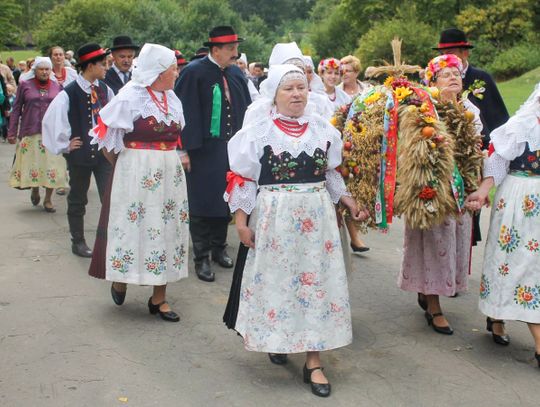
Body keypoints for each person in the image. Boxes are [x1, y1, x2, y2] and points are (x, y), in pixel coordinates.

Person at [223, 64, 368, 397]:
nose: (297, 94)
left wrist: (348, 201)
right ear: (274, 95)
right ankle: (279, 339)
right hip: (275, 220)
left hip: (316, 221)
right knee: (280, 285)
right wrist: (242, 223)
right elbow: (244, 179)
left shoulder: (322, 130)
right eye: (288, 89)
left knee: (315, 287)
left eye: (301, 88)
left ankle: (314, 361)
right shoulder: (258, 133)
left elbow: (331, 174)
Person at [88, 43, 188, 322]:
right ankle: (121, 278)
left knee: (167, 229)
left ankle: (160, 298)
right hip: (136, 174)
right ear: (158, 71)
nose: (177, 73)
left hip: (169, 174)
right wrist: (126, 169)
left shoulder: (172, 99)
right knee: (134, 228)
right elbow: (106, 140)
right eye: (173, 68)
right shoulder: (130, 96)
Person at [398, 54, 483, 335]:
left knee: (452, 239)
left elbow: (476, 147)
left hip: (460, 185)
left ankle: (431, 290)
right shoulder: (424, 108)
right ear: (432, 81)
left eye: (457, 73)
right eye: (446, 74)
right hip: (431, 183)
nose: (454, 78)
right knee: (432, 241)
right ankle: (433, 306)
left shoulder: (470, 108)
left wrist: (477, 183)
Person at [466, 83, 540, 365]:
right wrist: (483, 192)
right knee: (510, 260)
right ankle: (497, 315)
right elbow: (497, 162)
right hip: (519, 200)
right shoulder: (521, 125)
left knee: (534, 269)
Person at [174, 26, 251, 282]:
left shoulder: (237, 75)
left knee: (225, 199)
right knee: (201, 202)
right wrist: (183, 149)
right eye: (231, 49)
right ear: (215, 50)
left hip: (231, 148)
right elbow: (182, 112)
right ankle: (202, 256)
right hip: (202, 149)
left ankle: (219, 248)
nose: (235, 54)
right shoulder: (193, 73)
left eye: (236, 49)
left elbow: (248, 109)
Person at [42, 43, 115, 257]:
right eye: (103, 65)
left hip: (103, 154)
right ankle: (78, 241)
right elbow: (52, 120)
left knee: (109, 197)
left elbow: (113, 117)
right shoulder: (69, 93)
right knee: (78, 199)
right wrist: (65, 144)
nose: (106, 68)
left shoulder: (105, 90)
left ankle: (109, 241)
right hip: (80, 153)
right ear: (90, 66)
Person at [7, 57, 67, 212]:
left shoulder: (57, 87)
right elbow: (16, 109)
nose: (45, 72)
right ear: (35, 71)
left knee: (52, 166)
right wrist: (12, 132)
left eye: (47, 69)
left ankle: (48, 199)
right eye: (41, 69)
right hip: (30, 132)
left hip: (51, 134)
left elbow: (63, 111)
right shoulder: (25, 85)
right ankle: (34, 188)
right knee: (34, 165)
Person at [434, 28, 509, 149]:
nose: (445, 58)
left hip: (484, 145)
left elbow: (497, 116)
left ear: (465, 53)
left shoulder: (482, 78)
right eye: (442, 54)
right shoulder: (436, 80)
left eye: (450, 53)